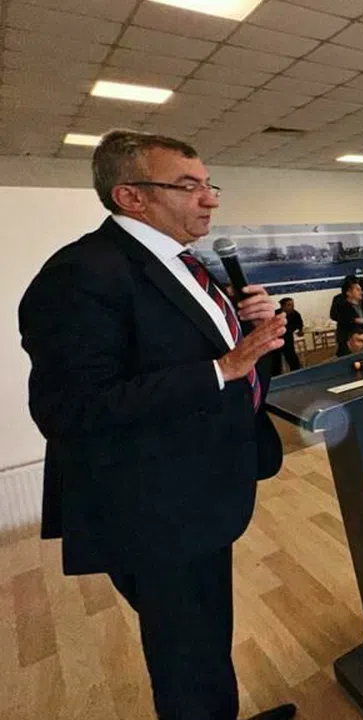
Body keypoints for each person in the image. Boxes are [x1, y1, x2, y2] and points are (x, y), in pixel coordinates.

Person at [19, 130, 294, 720]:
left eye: (209, 185)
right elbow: (70, 409)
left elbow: (204, 359)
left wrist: (249, 332)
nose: (209, 199)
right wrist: (223, 366)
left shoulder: (186, 266)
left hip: (201, 492)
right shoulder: (81, 274)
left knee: (205, 637)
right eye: (188, 186)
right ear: (131, 197)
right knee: (184, 657)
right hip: (153, 506)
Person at [333, 276, 363, 351]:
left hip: (362, 334)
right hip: (346, 334)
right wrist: (353, 320)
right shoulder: (339, 300)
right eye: (357, 288)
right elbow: (334, 315)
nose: (360, 291)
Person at [272, 297, 303, 375]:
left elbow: (300, 326)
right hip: (276, 340)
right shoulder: (275, 314)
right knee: (275, 363)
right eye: (289, 305)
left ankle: (297, 374)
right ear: (283, 306)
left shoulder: (295, 314)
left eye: (293, 304)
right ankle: (277, 377)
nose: (292, 306)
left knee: (293, 361)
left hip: (288, 340)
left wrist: (300, 331)